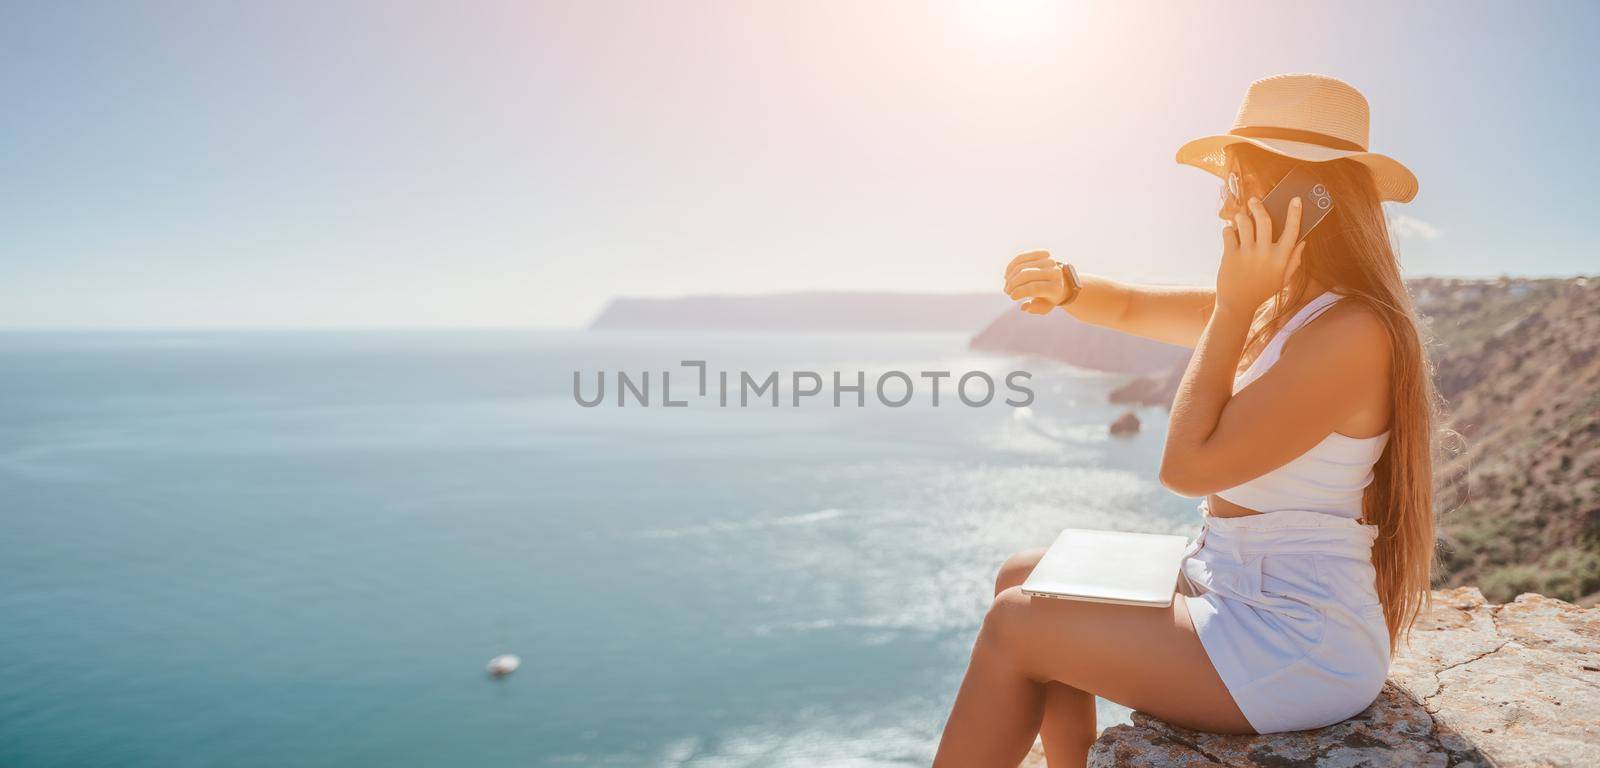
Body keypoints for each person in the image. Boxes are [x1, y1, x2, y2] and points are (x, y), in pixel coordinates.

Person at [933, 74, 1440, 768]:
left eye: (1239, 182)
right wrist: (1069, 286)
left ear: (1305, 200)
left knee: (1015, 626)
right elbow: (1137, 307)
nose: (1225, 205)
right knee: (1023, 574)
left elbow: (1186, 467)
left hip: (1293, 639)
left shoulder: (1350, 331)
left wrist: (1234, 308)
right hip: (1231, 578)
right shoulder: (1286, 312)